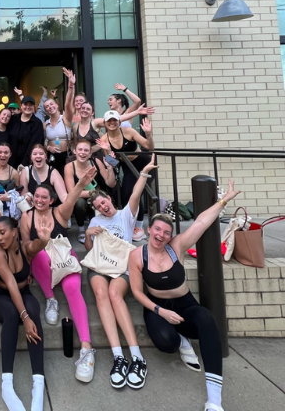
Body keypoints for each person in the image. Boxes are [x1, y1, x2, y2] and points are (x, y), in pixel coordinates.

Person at [129, 181, 241, 411]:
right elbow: (137, 292)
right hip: (157, 307)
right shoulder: (137, 255)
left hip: (184, 304)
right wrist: (161, 311)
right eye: (157, 230)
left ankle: (214, 400)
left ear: (171, 236)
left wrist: (224, 200)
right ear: (150, 230)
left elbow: (201, 221)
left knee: (207, 320)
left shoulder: (177, 246)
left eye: (166, 232)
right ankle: (180, 339)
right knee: (167, 343)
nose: (161, 235)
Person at [84, 154, 158, 390]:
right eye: (97, 207)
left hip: (122, 267)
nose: (102, 208)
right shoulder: (95, 221)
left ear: (108, 198)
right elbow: (90, 251)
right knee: (100, 293)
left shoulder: (125, 215)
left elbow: (136, 193)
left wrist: (144, 171)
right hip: (100, 265)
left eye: (103, 203)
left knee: (116, 295)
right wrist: (88, 235)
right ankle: (118, 356)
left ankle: (136, 356)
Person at [20, 167, 98, 383]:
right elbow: (26, 247)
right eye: (36, 196)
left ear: (52, 200)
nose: (40, 199)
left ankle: (86, 348)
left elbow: (71, 200)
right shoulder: (26, 217)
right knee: (40, 254)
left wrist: (81, 184)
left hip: (64, 259)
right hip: (41, 263)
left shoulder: (59, 213)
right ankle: (51, 299)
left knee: (73, 289)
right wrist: (41, 242)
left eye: (44, 196)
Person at [0, 215, 52, 411]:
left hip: (23, 292)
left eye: (3, 233)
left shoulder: (24, 248)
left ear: (14, 232)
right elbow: (10, 284)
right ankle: (6, 384)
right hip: (0, 296)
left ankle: (38, 384)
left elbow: (36, 246)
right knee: (12, 313)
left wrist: (44, 239)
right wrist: (24, 317)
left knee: (34, 310)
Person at [101, 111, 155, 242]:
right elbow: (112, 161)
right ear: (105, 124)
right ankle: (132, 225)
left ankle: (139, 228)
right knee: (127, 193)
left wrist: (148, 134)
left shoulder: (128, 131)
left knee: (138, 192)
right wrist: (108, 152)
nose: (112, 123)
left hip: (143, 163)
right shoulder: (104, 139)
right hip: (128, 167)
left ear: (119, 122)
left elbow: (149, 147)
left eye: (115, 120)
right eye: (109, 121)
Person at [64, 139, 116, 243]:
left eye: (86, 150)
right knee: (79, 203)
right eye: (80, 149)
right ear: (75, 151)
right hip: (82, 197)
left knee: (100, 201)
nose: (82, 153)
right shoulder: (69, 166)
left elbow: (111, 183)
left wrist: (110, 168)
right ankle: (81, 228)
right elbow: (71, 192)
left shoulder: (96, 162)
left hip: (97, 197)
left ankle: (103, 228)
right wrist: (92, 193)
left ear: (90, 153)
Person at [43, 68, 76, 171]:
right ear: (46, 111)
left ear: (57, 106)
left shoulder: (65, 118)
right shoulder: (45, 124)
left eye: (51, 104)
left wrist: (71, 86)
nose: (50, 107)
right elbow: (43, 143)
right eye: (47, 107)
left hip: (66, 156)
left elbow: (67, 103)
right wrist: (49, 148)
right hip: (51, 157)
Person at [7, 94, 45, 168]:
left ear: (34, 107)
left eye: (30, 105)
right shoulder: (13, 119)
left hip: (27, 164)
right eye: (25, 104)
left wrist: (24, 163)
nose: (28, 107)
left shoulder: (37, 123)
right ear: (21, 106)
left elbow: (34, 144)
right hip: (10, 161)